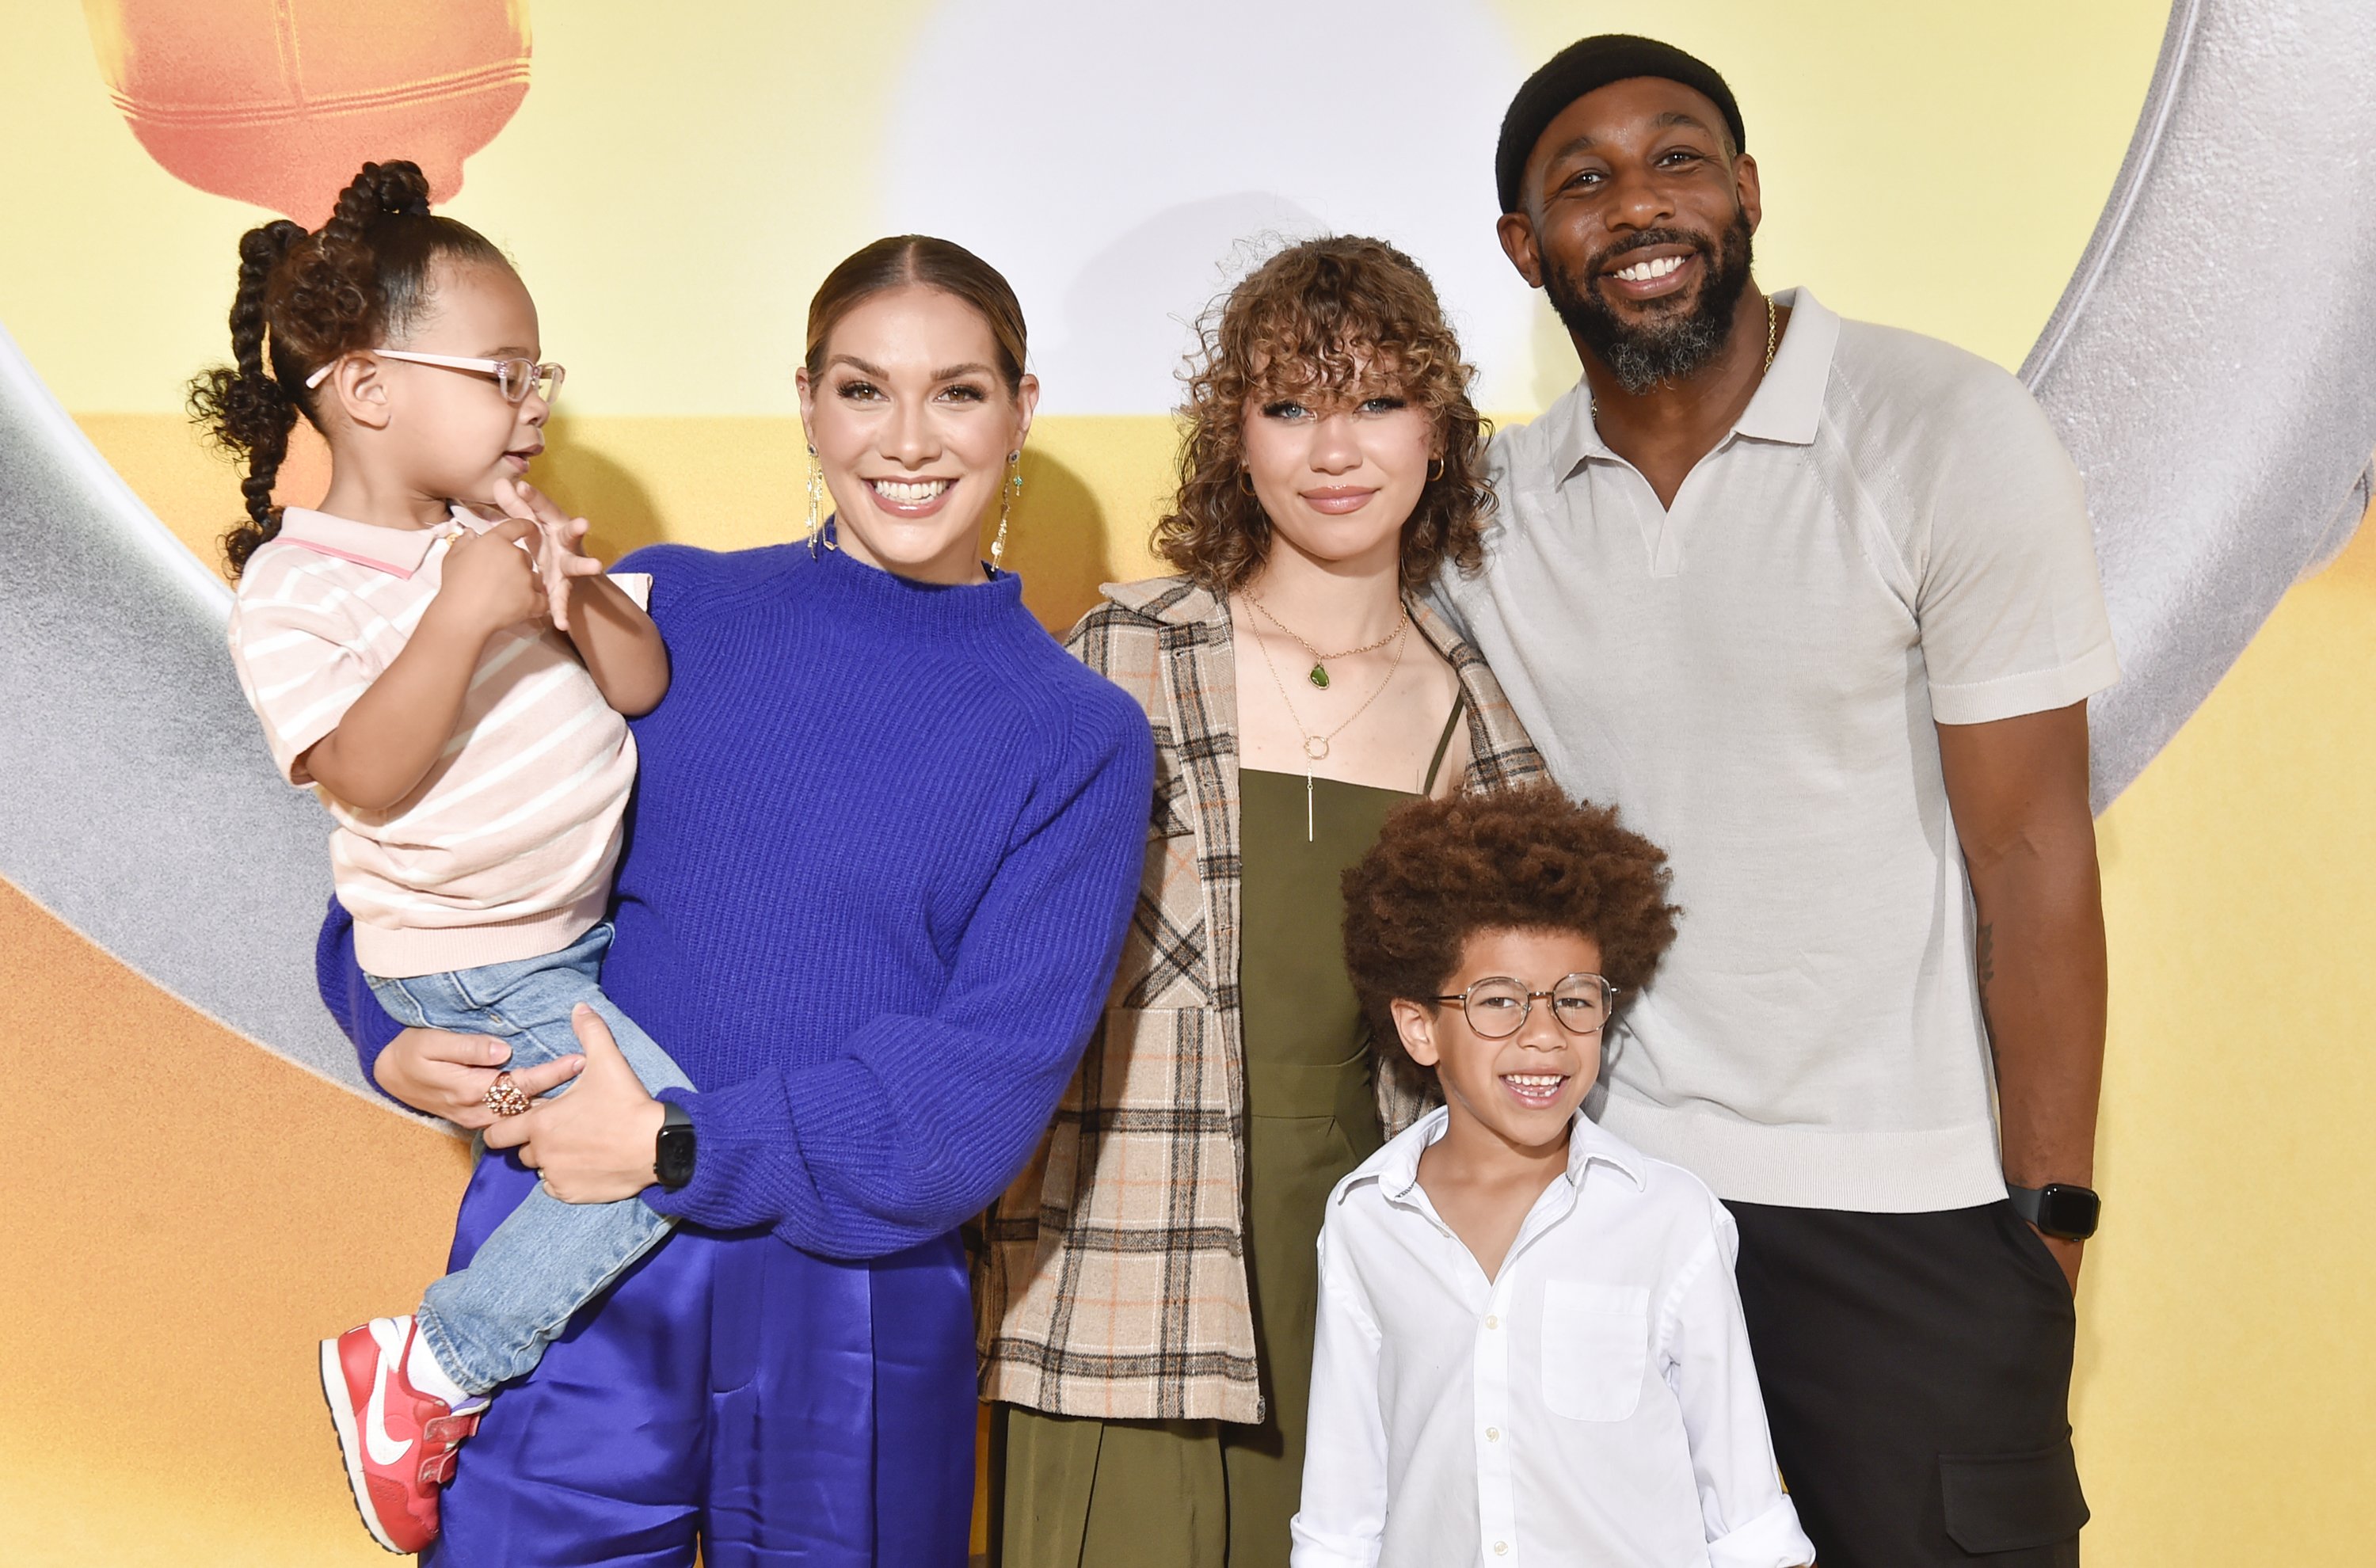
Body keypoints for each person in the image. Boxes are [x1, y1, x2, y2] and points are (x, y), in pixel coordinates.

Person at [315, 234, 1155, 1566]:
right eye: (864, 390)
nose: (908, 439)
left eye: (959, 391)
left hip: (856, 1300)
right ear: (808, 402)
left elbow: (978, 1089)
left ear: (1024, 409)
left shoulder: (1078, 736)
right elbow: (442, 853)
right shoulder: (665, 613)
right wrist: (387, 1030)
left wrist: (675, 1147)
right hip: (569, 1258)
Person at [1436, 33, 2120, 1568]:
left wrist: (2048, 1223)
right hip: (1617, 1213)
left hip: (1919, 1220)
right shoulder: (1492, 515)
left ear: (1745, 190)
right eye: (1585, 181)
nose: (1639, 205)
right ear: (1522, 246)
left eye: (1678, 158)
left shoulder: (1944, 433)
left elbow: (2033, 849)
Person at [977, 236, 1546, 1568]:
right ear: (1235, 436)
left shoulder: (1478, 708)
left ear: (1440, 430)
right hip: (1131, 1245)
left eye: (1377, 402)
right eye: (1290, 406)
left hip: (1367, 1257)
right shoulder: (1126, 650)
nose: (1333, 450)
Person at [203, 158, 694, 1553]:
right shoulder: (299, 589)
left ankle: (439, 1368)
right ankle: (429, 1367)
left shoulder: (499, 537)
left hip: (563, 945)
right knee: (666, 1142)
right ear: (368, 391)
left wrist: (569, 583)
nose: (534, 411)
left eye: (542, 379)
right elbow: (362, 770)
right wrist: (463, 612)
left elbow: (642, 685)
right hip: (473, 972)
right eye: (502, 376)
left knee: (653, 1140)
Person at [1293, 783, 1814, 1568]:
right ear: (1419, 1027)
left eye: (1575, 1000)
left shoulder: (1672, 1222)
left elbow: (1745, 1515)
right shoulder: (1368, 1221)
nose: (1545, 1036)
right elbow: (1342, 1511)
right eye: (1498, 1001)